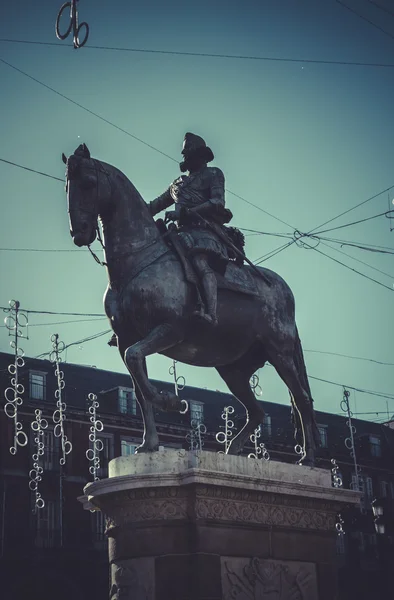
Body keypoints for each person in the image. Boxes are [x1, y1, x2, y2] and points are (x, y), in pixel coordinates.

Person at [148, 132, 232, 326]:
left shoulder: (213, 174)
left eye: (189, 152)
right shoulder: (177, 184)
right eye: (184, 152)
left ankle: (211, 313)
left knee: (200, 263)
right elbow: (154, 206)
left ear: (200, 155)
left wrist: (186, 213)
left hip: (204, 231)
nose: (184, 155)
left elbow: (217, 201)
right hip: (178, 233)